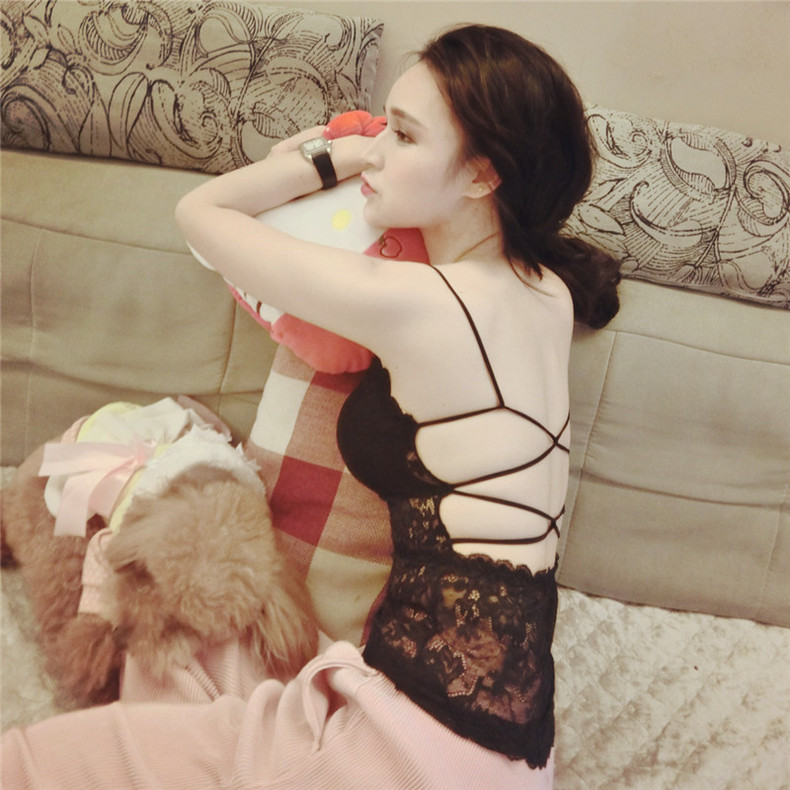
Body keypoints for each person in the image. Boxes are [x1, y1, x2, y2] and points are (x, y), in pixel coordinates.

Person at [2, 24, 619, 789]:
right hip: (512, 749)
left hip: (405, 747)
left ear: (481, 175)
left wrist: (338, 154)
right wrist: (389, 149)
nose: (380, 149)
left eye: (403, 134)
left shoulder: (416, 305)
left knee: (31, 763)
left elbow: (200, 214)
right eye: (381, 128)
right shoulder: (546, 293)